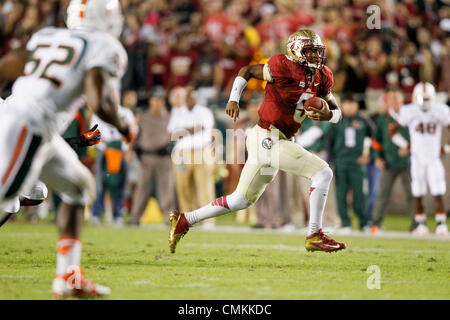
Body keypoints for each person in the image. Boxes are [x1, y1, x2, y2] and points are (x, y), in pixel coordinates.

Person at [169, 29, 346, 253]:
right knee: (323, 172)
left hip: (278, 139)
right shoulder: (282, 66)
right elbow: (247, 71)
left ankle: (184, 220)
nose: (314, 57)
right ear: (296, 50)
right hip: (267, 137)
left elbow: (337, 111)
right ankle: (314, 233)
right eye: (309, 51)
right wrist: (234, 99)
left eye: (317, 52)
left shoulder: (322, 75)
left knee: (241, 200)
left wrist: (329, 115)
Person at [0, 0, 132, 297]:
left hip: (38, 129)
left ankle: (68, 276)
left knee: (79, 187)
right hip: (28, 125)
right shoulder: (105, 46)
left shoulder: (48, 35)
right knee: (4, 199)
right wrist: (124, 124)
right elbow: (100, 102)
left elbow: (8, 64)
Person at [389, 82, 450, 237]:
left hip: (433, 157)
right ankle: (421, 224)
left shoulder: (441, 110)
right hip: (417, 157)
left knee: (438, 191)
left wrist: (446, 148)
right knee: (417, 192)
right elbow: (392, 131)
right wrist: (405, 145)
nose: (424, 102)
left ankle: (441, 224)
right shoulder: (408, 111)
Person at [168, 86, 217, 229]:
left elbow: (203, 127)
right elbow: (172, 133)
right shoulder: (177, 112)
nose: (189, 99)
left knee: (205, 186)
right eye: (187, 97)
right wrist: (190, 129)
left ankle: (208, 220)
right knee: (183, 186)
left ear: (196, 98)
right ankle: (188, 219)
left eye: (192, 96)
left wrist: (184, 130)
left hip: (202, 151)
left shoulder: (204, 111)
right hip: (182, 153)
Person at [326, 96, 374, 234]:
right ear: (342, 105)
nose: (349, 107)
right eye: (347, 103)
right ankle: (345, 223)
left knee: (360, 194)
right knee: (341, 194)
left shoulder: (364, 121)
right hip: (341, 162)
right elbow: (329, 141)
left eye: (352, 103)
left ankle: (364, 223)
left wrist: (368, 155)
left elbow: (373, 137)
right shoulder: (336, 120)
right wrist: (330, 160)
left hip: (358, 163)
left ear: (357, 105)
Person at [130, 86, 175, 225]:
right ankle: (135, 218)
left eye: (160, 100)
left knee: (166, 188)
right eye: (155, 99)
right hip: (146, 157)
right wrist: (129, 151)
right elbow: (133, 135)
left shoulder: (169, 117)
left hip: (164, 156)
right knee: (142, 188)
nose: (157, 102)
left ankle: (169, 219)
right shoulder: (142, 117)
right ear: (150, 101)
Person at [370, 89, 413, 234]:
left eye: (396, 99)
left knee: (413, 194)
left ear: (402, 100)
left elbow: (419, 138)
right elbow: (377, 141)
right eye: (391, 99)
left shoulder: (410, 116)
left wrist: (410, 149)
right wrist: (378, 157)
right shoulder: (383, 118)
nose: (394, 102)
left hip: (408, 162)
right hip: (388, 162)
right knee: (382, 194)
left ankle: (417, 223)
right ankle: (376, 223)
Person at [90, 104, 137, 226]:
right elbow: (93, 132)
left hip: (122, 150)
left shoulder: (126, 113)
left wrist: (128, 150)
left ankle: (118, 214)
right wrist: (109, 144)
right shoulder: (99, 112)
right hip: (103, 150)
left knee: (121, 184)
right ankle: (96, 213)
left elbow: (133, 132)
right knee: (101, 182)